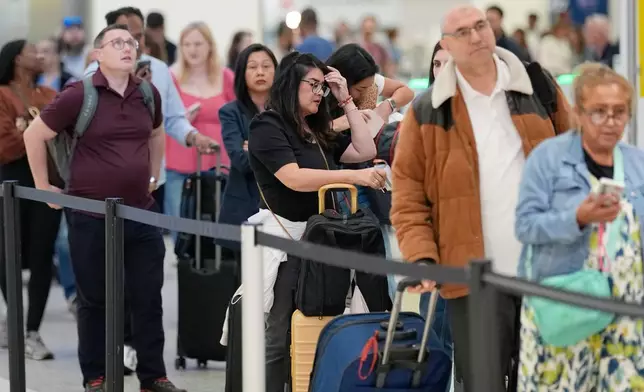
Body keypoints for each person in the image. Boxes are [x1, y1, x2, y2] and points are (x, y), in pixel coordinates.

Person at [389, 5, 572, 392]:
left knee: (548, 381)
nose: (475, 36)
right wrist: (422, 257)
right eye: (462, 32)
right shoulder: (426, 111)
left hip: (545, 272)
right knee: (482, 384)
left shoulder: (537, 86)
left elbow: (578, 161)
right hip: (471, 279)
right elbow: (408, 197)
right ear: (445, 45)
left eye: (480, 26)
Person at [22, 24, 185, 392]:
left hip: (140, 212)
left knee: (147, 298)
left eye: (131, 42)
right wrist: (44, 185)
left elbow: (157, 132)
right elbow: (35, 134)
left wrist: (154, 174)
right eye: (117, 42)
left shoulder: (148, 92)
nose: (127, 47)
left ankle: (152, 376)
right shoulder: (78, 94)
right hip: (90, 214)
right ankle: (96, 376)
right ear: (97, 54)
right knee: (94, 299)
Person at [248, 52, 384, 392]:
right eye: (314, 85)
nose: (319, 93)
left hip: (321, 238)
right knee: (279, 334)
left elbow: (365, 149)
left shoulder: (316, 127)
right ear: (291, 84)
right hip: (286, 241)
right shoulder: (268, 125)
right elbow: (293, 178)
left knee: (322, 324)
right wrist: (355, 179)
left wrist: (346, 100)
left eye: (323, 87)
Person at [515, 63, 644, 390]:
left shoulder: (636, 163)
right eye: (599, 112)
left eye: (619, 112)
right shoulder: (548, 159)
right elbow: (526, 226)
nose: (610, 122)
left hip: (624, 312)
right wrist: (577, 218)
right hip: (563, 302)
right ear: (580, 113)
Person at [0, 39, 61, 361]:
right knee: (6, 254)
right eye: (31, 52)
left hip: (45, 185)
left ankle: (31, 330)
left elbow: (61, 133)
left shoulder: (48, 95)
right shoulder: (2, 94)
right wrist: (35, 133)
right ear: (15, 60)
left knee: (41, 256)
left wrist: (26, 128)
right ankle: (15, 319)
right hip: (9, 183)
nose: (39, 56)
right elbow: (5, 145)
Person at [168, 22, 235, 224]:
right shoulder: (171, 77)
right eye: (187, 44)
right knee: (181, 226)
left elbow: (239, 114)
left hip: (220, 163)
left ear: (209, 46)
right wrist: (183, 121)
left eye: (198, 43)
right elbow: (161, 120)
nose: (192, 49)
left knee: (220, 224)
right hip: (180, 164)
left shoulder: (226, 76)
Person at [218, 44, 277, 252]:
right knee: (248, 281)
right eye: (252, 67)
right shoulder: (230, 112)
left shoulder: (286, 111)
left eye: (266, 66)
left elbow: (297, 155)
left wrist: (255, 147)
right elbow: (240, 161)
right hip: (245, 206)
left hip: (282, 207)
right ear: (242, 73)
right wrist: (278, 150)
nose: (260, 72)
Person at [36, 36, 79, 316]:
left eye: (47, 51)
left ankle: (73, 291)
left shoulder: (70, 83)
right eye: (38, 51)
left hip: (64, 167)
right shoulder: (27, 83)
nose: (42, 56)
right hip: (35, 165)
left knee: (65, 239)